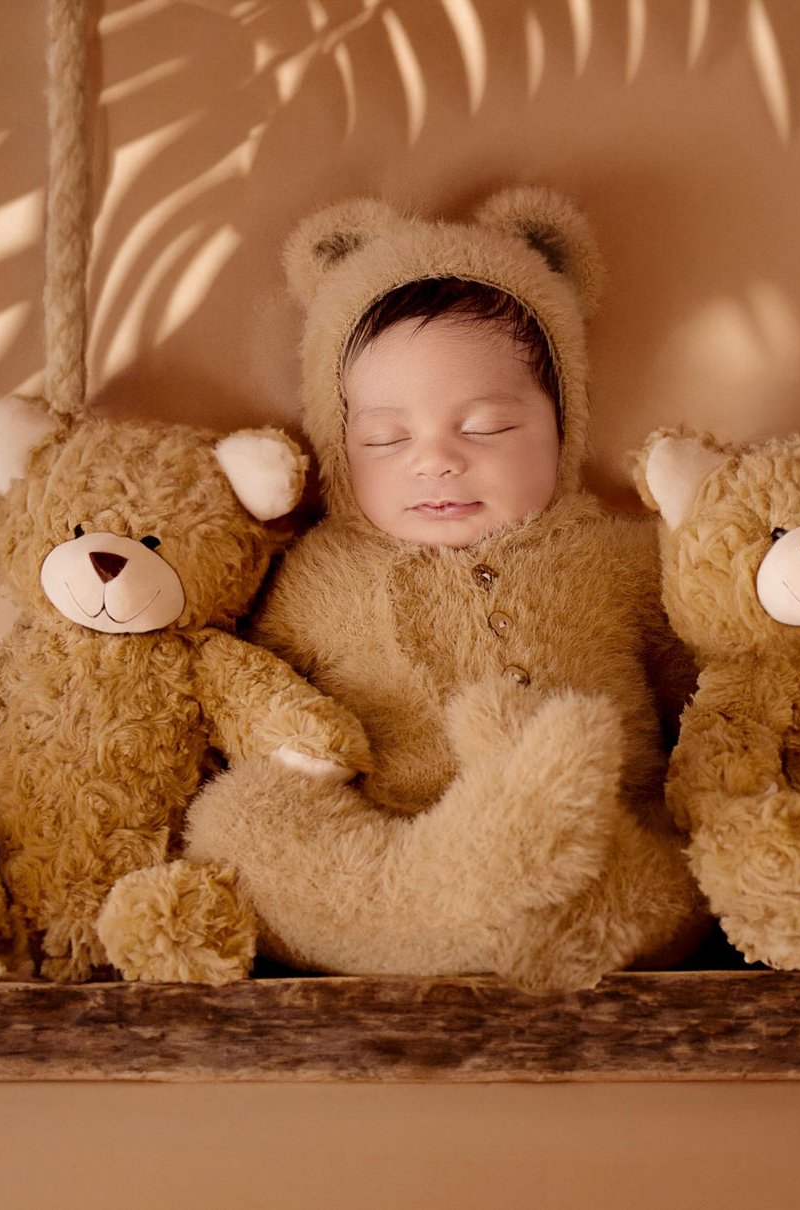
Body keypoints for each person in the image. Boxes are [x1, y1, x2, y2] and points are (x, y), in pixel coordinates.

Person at [119, 189, 706, 992]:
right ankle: (466, 900)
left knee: (679, 850)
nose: (433, 461)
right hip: (384, 849)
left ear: (562, 423)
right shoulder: (316, 575)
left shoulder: (621, 561)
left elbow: (708, 689)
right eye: (385, 438)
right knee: (240, 821)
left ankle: (520, 891)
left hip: (592, 835)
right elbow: (243, 695)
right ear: (338, 439)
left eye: (486, 427)